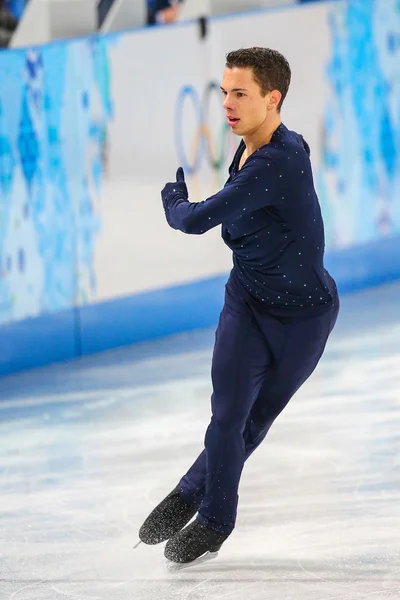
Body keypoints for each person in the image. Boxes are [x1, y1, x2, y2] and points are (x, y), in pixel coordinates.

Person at [138, 47, 339, 565]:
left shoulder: (281, 159)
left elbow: (194, 220)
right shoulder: (250, 147)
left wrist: (172, 200)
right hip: (247, 300)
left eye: (240, 93)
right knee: (227, 415)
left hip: (304, 319)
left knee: (253, 422)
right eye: (224, 91)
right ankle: (213, 519)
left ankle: (191, 489)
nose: (226, 103)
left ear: (273, 99)